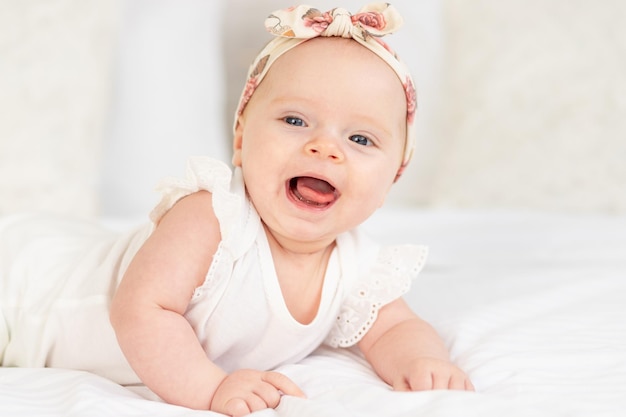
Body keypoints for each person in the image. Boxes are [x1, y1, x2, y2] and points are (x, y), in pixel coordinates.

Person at [0, 3, 473, 417]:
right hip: (27, 297)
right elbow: (141, 310)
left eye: (360, 139)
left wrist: (424, 363)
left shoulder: (358, 266)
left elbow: (395, 327)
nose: (325, 148)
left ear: (393, 177)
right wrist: (211, 389)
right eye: (295, 120)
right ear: (242, 139)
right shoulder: (213, 218)